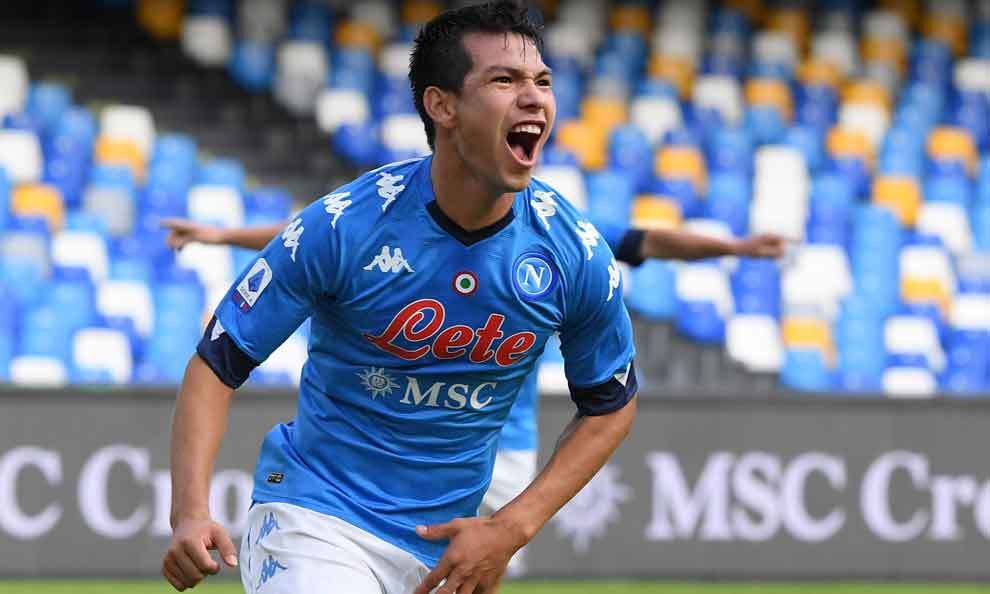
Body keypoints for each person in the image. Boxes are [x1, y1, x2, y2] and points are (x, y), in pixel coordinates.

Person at [162, 3, 639, 593]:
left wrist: (511, 527)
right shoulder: (343, 226)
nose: (534, 98)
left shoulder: (573, 252)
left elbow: (610, 404)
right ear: (442, 105)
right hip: (317, 518)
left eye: (542, 81)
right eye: (504, 80)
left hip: (444, 548)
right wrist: (189, 511)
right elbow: (216, 362)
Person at [162, 219, 784, 577]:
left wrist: (732, 249)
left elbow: (647, 241)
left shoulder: (563, 235)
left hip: (500, 458)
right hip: (368, 469)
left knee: (472, 570)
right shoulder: (378, 222)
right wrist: (223, 235)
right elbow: (301, 236)